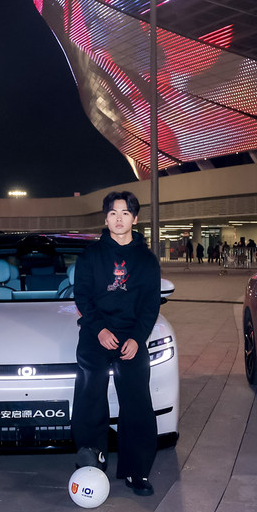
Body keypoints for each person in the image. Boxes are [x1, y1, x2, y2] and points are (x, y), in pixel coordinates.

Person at [71, 190, 162, 496]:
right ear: (106, 218)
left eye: (125, 213)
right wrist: (98, 329)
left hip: (131, 335)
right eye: (113, 213)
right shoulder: (90, 256)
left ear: (135, 218)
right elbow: (82, 296)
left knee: (137, 401)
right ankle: (91, 460)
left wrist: (137, 338)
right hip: (96, 333)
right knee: (90, 393)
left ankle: (137, 471)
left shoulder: (147, 260)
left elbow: (150, 304)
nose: (118, 219)